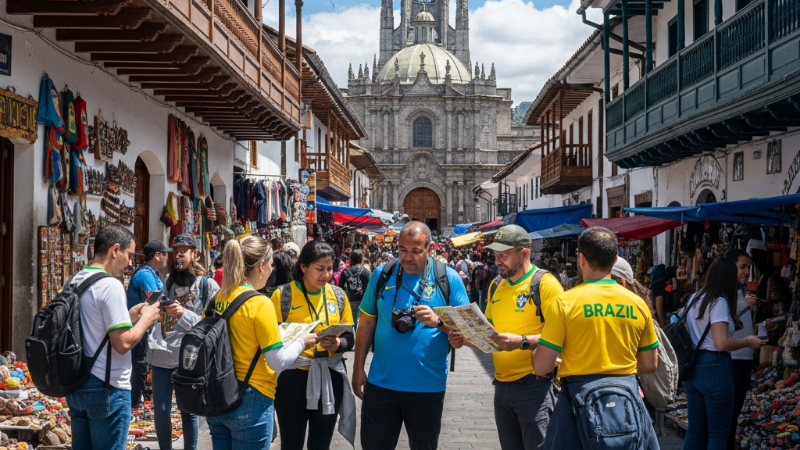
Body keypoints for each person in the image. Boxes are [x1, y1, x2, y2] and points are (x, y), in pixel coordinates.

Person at [532, 227, 660, 450]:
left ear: (580, 258)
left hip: (577, 403)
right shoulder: (637, 303)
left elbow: (542, 366)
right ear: (615, 259)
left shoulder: (564, 303)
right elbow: (650, 364)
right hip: (626, 400)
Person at [353, 222, 469, 450]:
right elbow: (366, 323)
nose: (408, 257)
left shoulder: (448, 279)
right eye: (403, 250)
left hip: (427, 388)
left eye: (416, 251)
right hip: (381, 385)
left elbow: (466, 331)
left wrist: (439, 321)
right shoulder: (382, 274)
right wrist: (358, 368)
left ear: (430, 248)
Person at [450, 224, 563, 450]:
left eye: (504, 255)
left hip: (535, 387)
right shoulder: (496, 286)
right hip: (502, 387)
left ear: (524, 253)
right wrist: (465, 339)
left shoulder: (546, 285)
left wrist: (522, 342)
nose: (498, 261)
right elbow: (489, 335)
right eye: (496, 255)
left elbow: (563, 336)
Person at [207, 236, 317, 449]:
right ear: (261, 265)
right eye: (271, 264)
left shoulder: (218, 297)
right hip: (251, 395)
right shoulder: (259, 303)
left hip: (217, 395)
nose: (272, 269)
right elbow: (278, 360)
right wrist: (301, 342)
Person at [67, 224, 162, 449]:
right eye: (129, 255)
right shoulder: (110, 285)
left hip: (78, 384)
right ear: (115, 250)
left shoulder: (75, 279)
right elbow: (123, 343)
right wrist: (147, 319)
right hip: (107, 387)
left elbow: (94, 326)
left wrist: (129, 316)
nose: (130, 263)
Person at [270, 241, 357, 450]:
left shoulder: (337, 295)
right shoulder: (282, 296)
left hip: (330, 374)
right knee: (291, 443)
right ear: (303, 267)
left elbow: (350, 338)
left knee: (321, 443)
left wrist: (338, 343)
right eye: (319, 269)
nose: (325, 275)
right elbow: (270, 340)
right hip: (292, 378)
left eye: (329, 269)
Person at [680, 258, 765, 450]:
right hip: (713, 367)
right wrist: (747, 341)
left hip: (691, 368)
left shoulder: (695, 297)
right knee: (718, 436)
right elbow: (721, 343)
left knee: (695, 431)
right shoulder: (718, 302)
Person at [149, 233, 220, 450]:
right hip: (162, 357)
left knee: (188, 411)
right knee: (160, 411)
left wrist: (183, 314)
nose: (178, 254)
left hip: (189, 359)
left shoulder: (207, 285)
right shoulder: (167, 281)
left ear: (195, 254)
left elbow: (215, 324)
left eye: (183, 250)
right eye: (175, 250)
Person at [126, 239, 171, 408]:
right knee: (139, 365)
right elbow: (155, 298)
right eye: (164, 254)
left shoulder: (152, 273)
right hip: (139, 327)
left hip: (145, 328)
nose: (167, 257)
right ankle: (134, 402)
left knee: (142, 364)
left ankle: (138, 398)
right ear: (157, 256)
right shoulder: (145, 274)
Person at [724, 249, 758, 449]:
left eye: (748, 267)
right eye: (742, 267)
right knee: (729, 410)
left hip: (745, 356)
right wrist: (741, 305)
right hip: (733, 356)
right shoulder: (727, 293)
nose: (746, 272)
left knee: (735, 409)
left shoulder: (741, 291)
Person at [339, 249, 372, 329]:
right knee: (360, 323)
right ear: (361, 259)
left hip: (349, 301)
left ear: (351, 259)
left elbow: (340, 288)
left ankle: (352, 338)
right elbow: (371, 289)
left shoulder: (345, 271)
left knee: (350, 322)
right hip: (363, 301)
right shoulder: (366, 272)